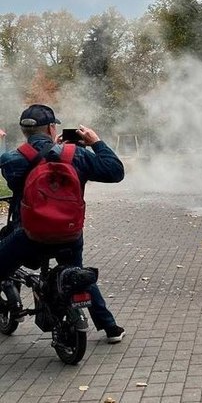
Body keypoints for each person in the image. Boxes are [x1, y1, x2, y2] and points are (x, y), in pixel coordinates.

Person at [0, 104, 126, 342]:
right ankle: (111, 328)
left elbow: (19, 177)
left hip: (29, 236)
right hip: (69, 235)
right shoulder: (75, 155)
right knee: (76, 273)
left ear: (24, 130)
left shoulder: (12, 159)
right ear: (51, 127)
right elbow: (115, 172)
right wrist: (96, 142)